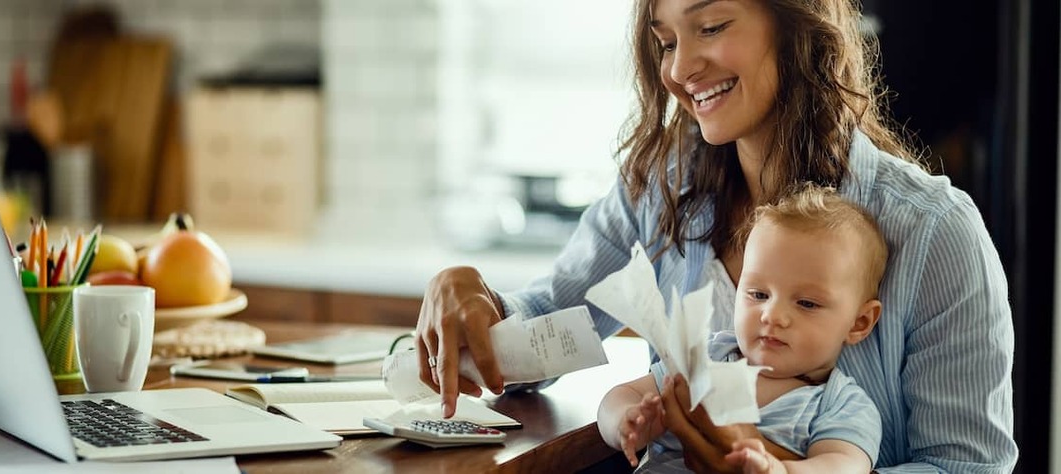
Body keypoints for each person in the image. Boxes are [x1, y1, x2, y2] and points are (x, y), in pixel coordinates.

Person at [414, 0, 1017, 470]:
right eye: (666, 40)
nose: (678, 70)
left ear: (796, 24)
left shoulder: (934, 232)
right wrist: (477, 308)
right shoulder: (659, 191)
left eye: (711, 27)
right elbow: (548, 325)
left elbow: (967, 467)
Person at [599, 184, 886, 473]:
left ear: (859, 322)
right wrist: (627, 420)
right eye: (759, 295)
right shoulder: (708, 356)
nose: (772, 316)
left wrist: (780, 470)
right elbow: (622, 394)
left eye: (807, 303)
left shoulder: (840, 405)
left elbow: (842, 466)